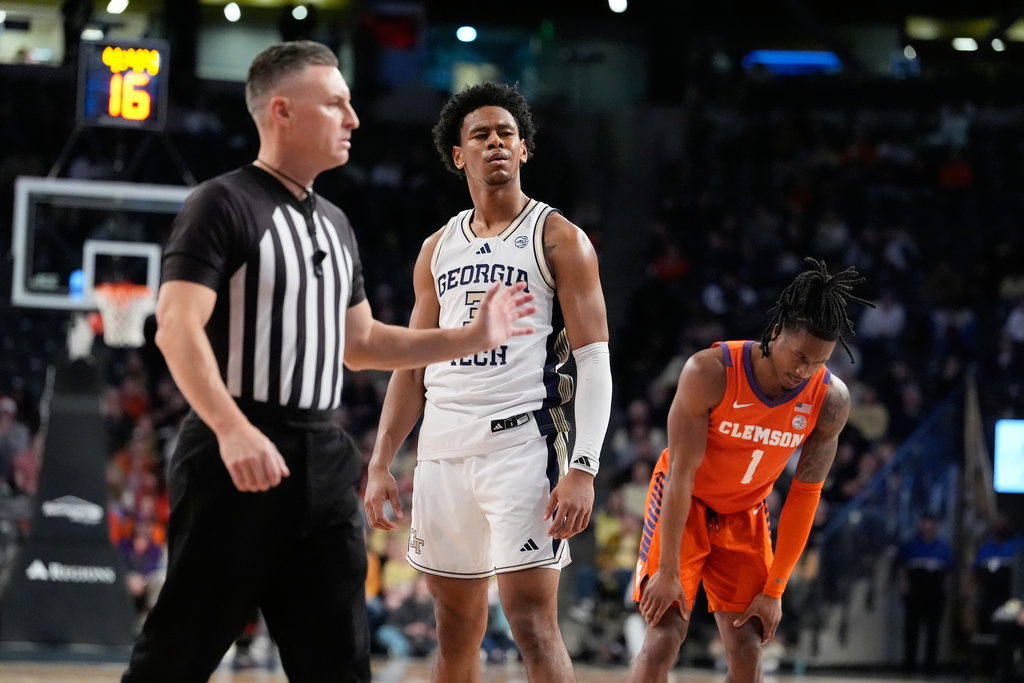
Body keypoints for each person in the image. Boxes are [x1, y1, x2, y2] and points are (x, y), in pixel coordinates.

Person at [121, 42, 537, 683]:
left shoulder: (335, 223)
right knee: (176, 658)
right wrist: (232, 429)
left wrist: (472, 336)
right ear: (283, 111)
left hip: (322, 457)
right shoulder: (221, 203)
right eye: (336, 103)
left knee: (340, 667)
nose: (353, 117)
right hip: (237, 452)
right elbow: (176, 326)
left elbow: (362, 343)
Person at [363, 81, 612, 683]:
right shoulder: (436, 248)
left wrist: (583, 466)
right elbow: (412, 366)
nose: (496, 142)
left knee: (531, 623)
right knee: (454, 628)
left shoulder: (559, 238)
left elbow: (594, 361)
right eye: (481, 135)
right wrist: (380, 461)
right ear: (459, 154)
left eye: (507, 133)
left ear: (524, 149)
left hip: (522, 444)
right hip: (443, 449)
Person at [627, 258, 872, 683]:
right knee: (664, 636)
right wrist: (667, 572)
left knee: (747, 652)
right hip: (685, 504)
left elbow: (805, 495)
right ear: (776, 333)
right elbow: (681, 473)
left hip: (746, 513)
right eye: (799, 356)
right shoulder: (710, 372)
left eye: (818, 362)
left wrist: (775, 590)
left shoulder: (830, 400)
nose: (804, 370)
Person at [896, 511, 953, 674]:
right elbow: (901, 566)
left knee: (933, 630)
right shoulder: (910, 545)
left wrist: (945, 588)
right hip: (916, 590)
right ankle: (909, 663)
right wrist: (904, 584)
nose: (927, 527)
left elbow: (949, 570)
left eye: (931, 524)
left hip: (935, 592)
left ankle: (930, 665)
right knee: (912, 629)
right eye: (925, 523)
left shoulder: (943, 546)